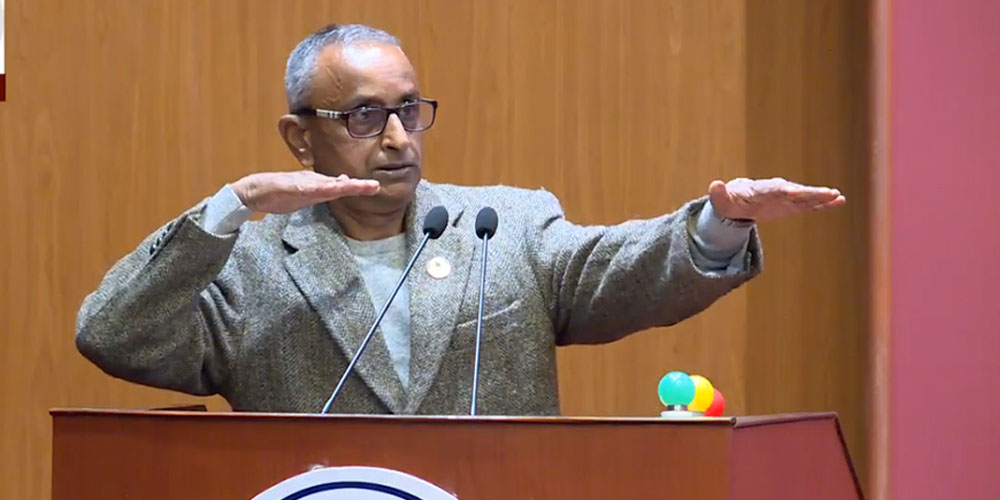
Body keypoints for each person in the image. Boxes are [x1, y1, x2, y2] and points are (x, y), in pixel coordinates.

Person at [75, 24, 845, 415]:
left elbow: (620, 270)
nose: (398, 138)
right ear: (300, 137)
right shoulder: (246, 266)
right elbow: (112, 334)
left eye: (409, 109)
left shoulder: (501, 225)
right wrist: (230, 208)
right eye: (365, 116)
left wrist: (717, 223)